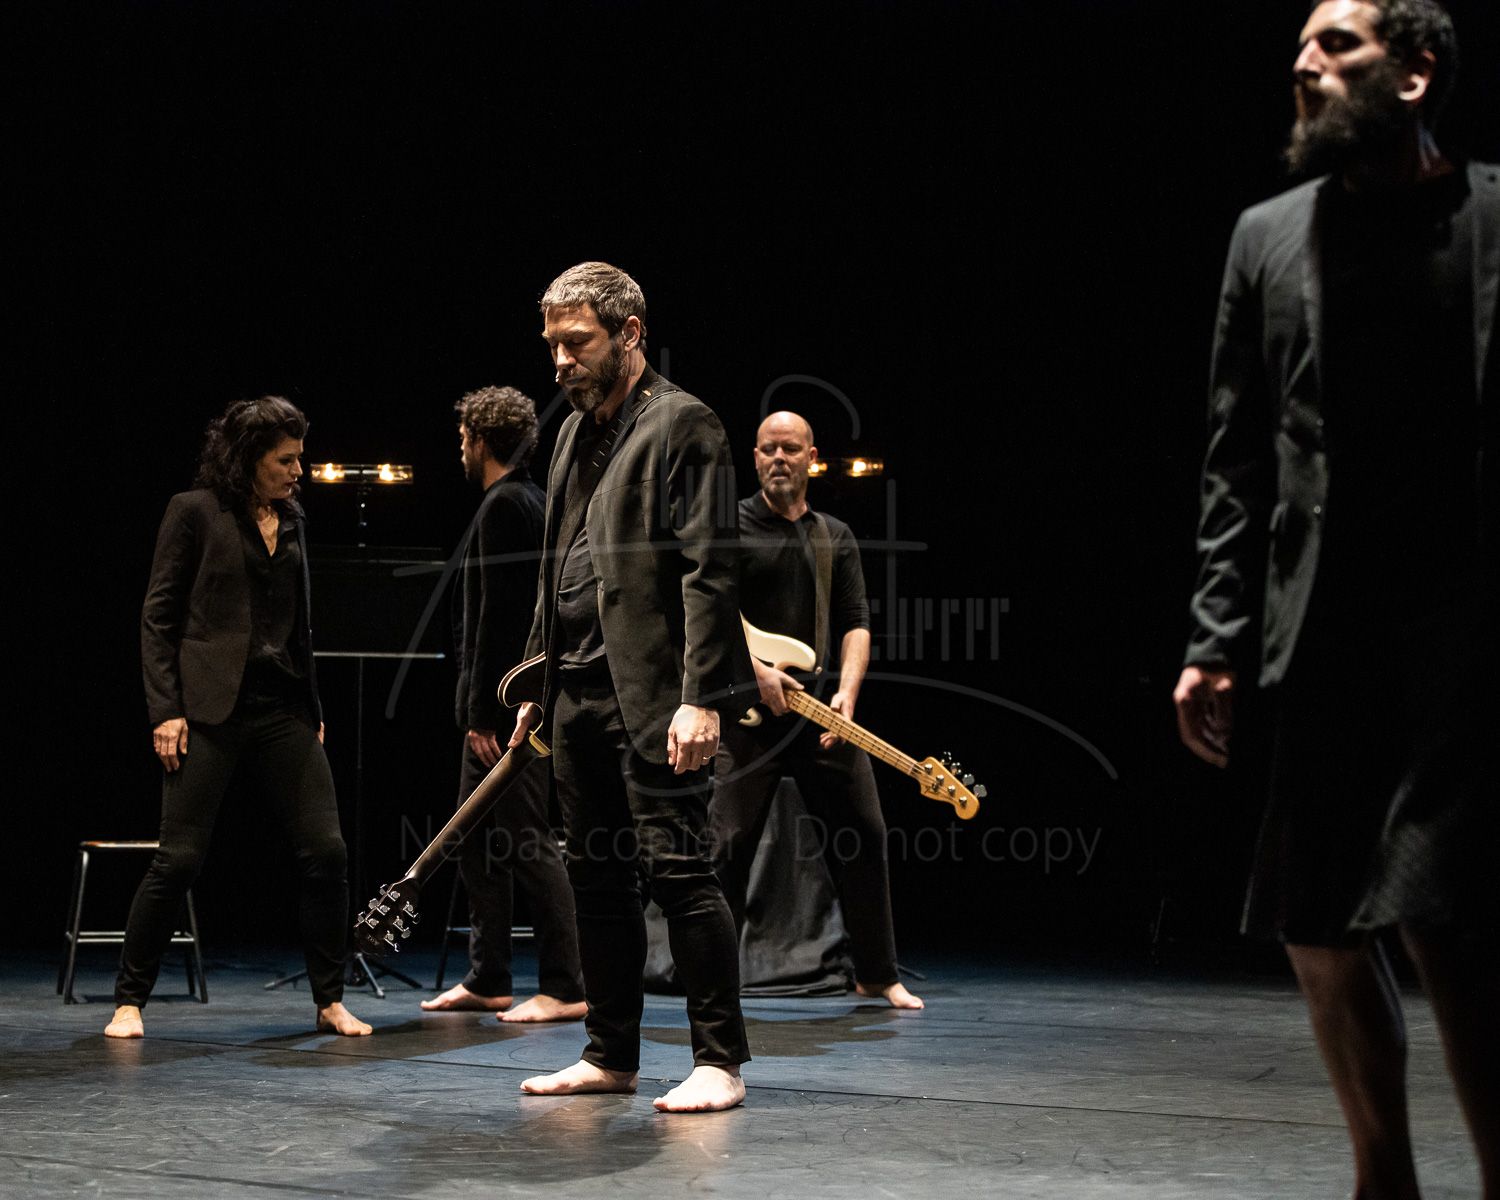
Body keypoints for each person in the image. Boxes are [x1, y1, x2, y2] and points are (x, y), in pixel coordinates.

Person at [1173, 2, 1497, 1194]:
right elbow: (1236, 458)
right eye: (1302, 48)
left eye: (1337, 45)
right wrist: (1214, 636)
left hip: (1466, 634)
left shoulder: (1492, 220)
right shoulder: (1269, 237)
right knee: (1314, 922)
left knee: (1447, 920)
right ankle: (1383, 1177)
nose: (1305, 65)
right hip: (1323, 630)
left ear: (1414, 73)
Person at [507, 261, 756, 1112]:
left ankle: (719, 1061)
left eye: (577, 342)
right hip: (575, 691)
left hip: (651, 692)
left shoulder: (685, 423)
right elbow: (553, 573)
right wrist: (535, 681)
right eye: (552, 345)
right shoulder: (570, 435)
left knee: (678, 872)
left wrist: (701, 696)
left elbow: (709, 571)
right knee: (595, 882)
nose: (560, 361)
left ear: (630, 333)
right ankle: (610, 1053)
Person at [107, 396, 370, 1039]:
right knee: (179, 860)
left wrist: (313, 708)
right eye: (285, 460)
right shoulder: (194, 511)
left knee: (327, 851)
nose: (298, 471)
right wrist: (166, 710)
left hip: (282, 708)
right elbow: (158, 618)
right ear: (250, 458)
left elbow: (301, 625)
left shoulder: (294, 519)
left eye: (299, 458)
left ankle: (330, 999)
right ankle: (129, 1000)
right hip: (208, 712)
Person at [711, 411, 921, 1010]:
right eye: (768, 449)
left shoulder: (834, 536)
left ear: (811, 457)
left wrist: (847, 695)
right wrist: (756, 672)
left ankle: (876, 973)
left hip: (819, 715)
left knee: (865, 833)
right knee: (725, 848)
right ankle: (714, 982)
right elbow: (706, 614)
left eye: (791, 448)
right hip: (748, 717)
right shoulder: (730, 529)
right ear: (755, 457)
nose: (779, 458)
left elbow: (856, 623)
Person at [421, 386, 586, 1023]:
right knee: (476, 840)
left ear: (483, 441)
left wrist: (484, 713)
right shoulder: (527, 500)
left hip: (509, 711)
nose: (460, 449)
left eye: (465, 438)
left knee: (525, 839)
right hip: (512, 703)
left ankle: (566, 985)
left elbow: (501, 617)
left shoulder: (505, 505)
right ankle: (489, 975)